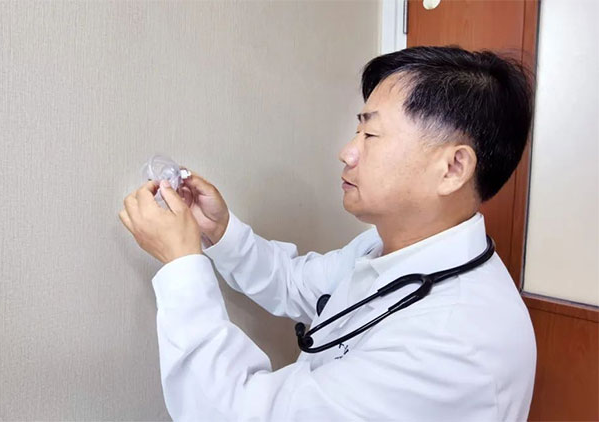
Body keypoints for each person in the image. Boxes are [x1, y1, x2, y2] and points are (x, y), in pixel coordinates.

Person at [118, 46, 536, 421]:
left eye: (370, 134)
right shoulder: (390, 246)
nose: (347, 152)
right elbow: (298, 283)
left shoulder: (454, 346)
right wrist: (221, 231)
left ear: (453, 168)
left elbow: (232, 412)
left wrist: (182, 266)